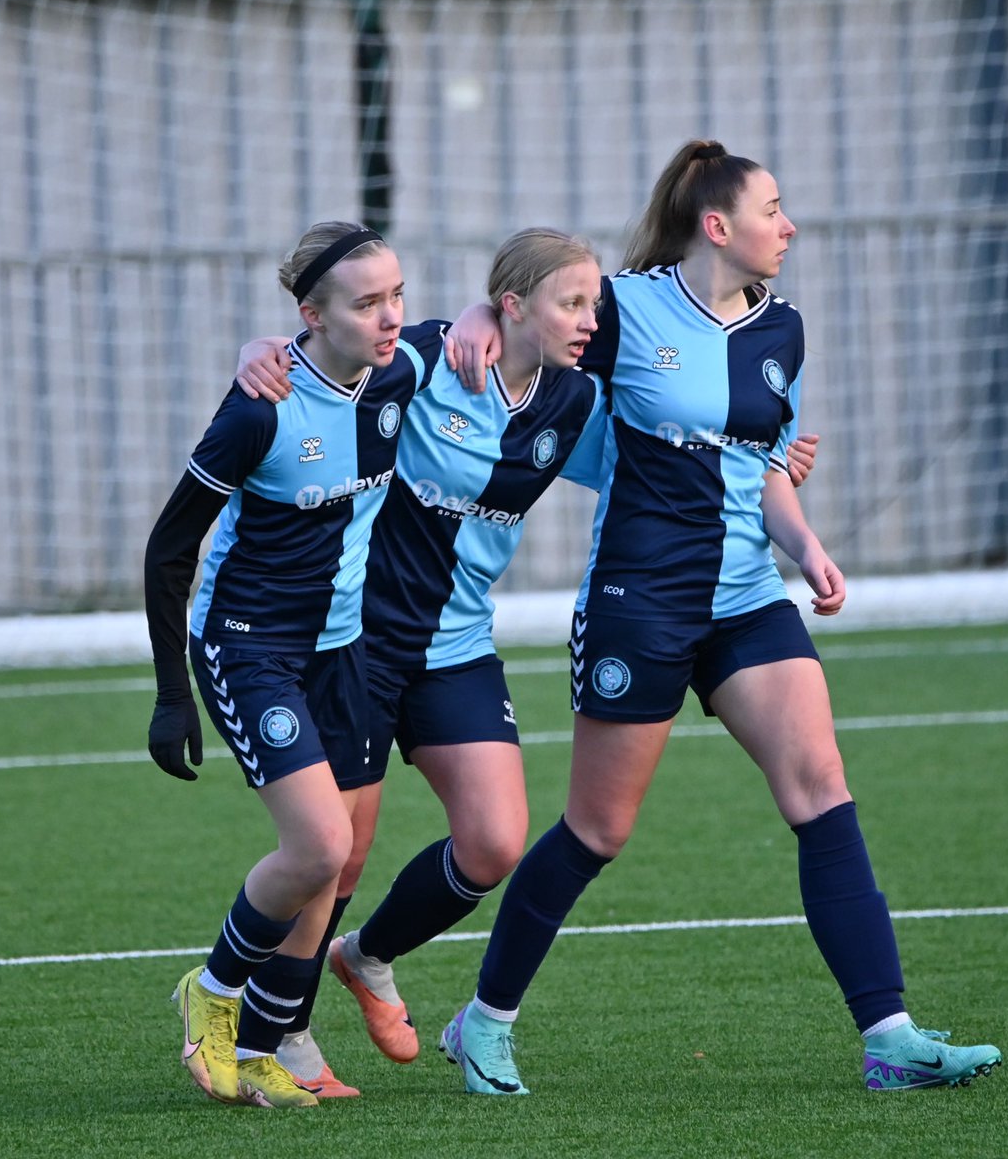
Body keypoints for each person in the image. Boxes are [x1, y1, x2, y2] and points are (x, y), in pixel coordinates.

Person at [433, 139, 1003, 1096]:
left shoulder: (785, 330)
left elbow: (767, 463)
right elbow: (533, 309)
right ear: (717, 226)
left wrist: (807, 547)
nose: (789, 225)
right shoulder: (628, 306)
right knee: (596, 832)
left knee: (822, 791)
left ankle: (890, 1037)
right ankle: (482, 1023)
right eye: (772, 208)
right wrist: (479, 313)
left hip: (745, 601)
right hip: (639, 605)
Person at [234, 227, 820, 1076]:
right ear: (513, 306)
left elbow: (667, 465)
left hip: (458, 646)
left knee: (495, 841)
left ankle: (365, 956)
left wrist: (766, 458)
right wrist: (262, 352)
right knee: (341, 851)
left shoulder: (575, 402)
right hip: (357, 643)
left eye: (593, 303)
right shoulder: (432, 355)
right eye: (572, 303)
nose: (592, 320)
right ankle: (280, 1030)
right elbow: (325, 359)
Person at [143, 220, 446, 1107]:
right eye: (367, 302)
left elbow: (489, 320)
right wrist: (171, 694)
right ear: (312, 315)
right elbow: (169, 551)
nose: (391, 317)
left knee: (338, 864)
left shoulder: (400, 367)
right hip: (248, 646)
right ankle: (210, 993)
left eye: (397, 295)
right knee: (316, 845)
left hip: (342, 650)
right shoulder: (259, 406)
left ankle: (269, 1046)